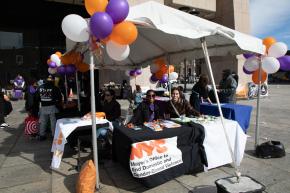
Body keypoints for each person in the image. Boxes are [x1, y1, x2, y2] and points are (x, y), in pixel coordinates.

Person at [35, 76, 62, 140]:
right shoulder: (54, 87)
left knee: (43, 121)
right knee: (53, 122)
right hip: (52, 106)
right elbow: (59, 97)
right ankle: (54, 135)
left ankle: (42, 135)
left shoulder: (40, 88)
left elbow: (36, 98)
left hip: (43, 106)